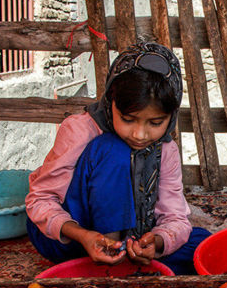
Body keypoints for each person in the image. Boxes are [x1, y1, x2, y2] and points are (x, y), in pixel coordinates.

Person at [26, 41, 210, 274]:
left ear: (170, 117)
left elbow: (175, 217)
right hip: (74, 239)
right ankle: (108, 247)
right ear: (110, 101)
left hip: (133, 239)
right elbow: (40, 200)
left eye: (155, 123)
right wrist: (84, 236)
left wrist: (157, 241)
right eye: (128, 119)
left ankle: (122, 256)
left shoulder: (166, 149)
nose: (140, 134)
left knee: (206, 246)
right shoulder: (80, 129)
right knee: (112, 148)